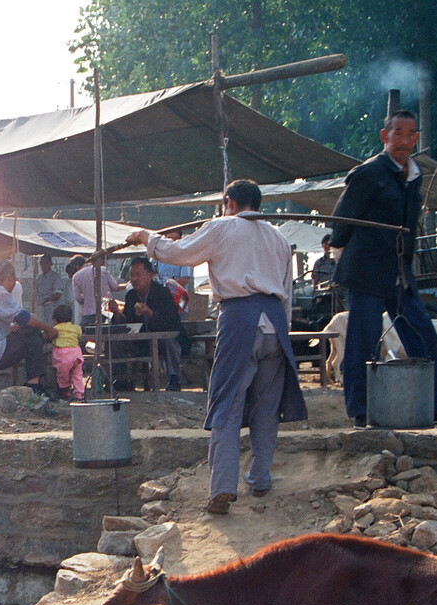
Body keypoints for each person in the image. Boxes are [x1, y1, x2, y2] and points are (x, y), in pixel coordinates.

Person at [125, 179, 307, 515]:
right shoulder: (279, 238)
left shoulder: (223, 226)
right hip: (275, 326)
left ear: (230, 203)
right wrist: (283, 335)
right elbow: (286, 293)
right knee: (267, 408)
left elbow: (176, 253)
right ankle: (260, 477)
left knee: (227, 401)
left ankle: (223, 486)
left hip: (240, 320)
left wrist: (145, 236)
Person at [330, 110, 437, 428]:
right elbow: (342, 219)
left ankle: (429, 405)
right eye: (398, 133)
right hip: (366, 269)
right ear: (385, 136)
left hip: (399, 270)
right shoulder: (368, 173)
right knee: (364, 342)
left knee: (424, 336)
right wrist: (338, 249)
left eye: (410, 134)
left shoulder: (414, 176)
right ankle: (361, 410)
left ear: (416, 138)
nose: (404, 140)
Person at [0, 259, 57, 394]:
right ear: (10, 278)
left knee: (26, 331)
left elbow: (2, 326)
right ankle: (34, 384)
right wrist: (50, 329)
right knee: (32, 333)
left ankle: (33, 382)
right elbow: (24, 318)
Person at [112, 256, 183, 391]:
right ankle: (121, 378)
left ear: (150, 275)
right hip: (141, 341)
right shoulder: (131, 295)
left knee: (168, 341)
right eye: (132, 275)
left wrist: (150, 313)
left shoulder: (162, 292)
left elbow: (171, 320)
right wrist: (116, 313)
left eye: (138, 275)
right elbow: (127, 321)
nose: (134, 279)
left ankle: (174, 378)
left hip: (163, 339)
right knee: (117, 341)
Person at [71, 254, 118, 326]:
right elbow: (114, 286)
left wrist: (87, 300)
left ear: (77, 266)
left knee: (85, 334)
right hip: (105, 312)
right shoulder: (103, 270)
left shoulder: (76, 276)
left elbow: (78, 298)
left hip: (88, 314)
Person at [50, 303, 84, 400]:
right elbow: (79, 334)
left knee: (63, 375)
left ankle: (65, 392)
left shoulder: (56, 328)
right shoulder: (75, 328)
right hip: (76, 353)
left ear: (55, 320)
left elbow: (46, 335)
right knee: (77, 375)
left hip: (63, 354)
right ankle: (79, 395)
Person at [33, 255, 69, 324]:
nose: (43, 265)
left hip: (52, 309)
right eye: (42, 263)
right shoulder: (39, 279)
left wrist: (46, 300)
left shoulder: (55, 277)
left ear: (50, 264)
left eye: (46, 263)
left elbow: (58, 294)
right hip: (41, 309)